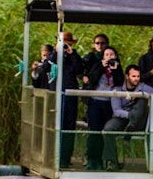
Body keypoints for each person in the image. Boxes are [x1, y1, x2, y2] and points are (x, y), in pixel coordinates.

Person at [102, 65, 153, 171]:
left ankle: (131, 127)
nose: (136, 79)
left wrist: (142, 95)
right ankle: (112, 162)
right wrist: (129, 115)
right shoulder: (118, 89)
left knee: (142, 100)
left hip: (139, 120)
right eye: (133, 76)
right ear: (127, 76)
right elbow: (116, 110)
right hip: (123, 117)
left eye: (138, 76)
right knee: (108, 129)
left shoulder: (143, 87)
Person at [47, 32, 84, 168]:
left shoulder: (74, 56)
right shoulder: (53, 55)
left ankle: (65, 158)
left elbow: (79, 69)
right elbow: (46, 66)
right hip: (55, 94)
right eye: (63, 42)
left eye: (68, 43)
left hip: (69, 95)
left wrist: (71, 53)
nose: (65, 45)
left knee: (68, 126)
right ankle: (52, 157)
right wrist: (57, 51)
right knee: (54, 125)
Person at [85, 46, 124, 170]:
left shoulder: (117, 67)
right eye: (106, 54)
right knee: (94, 130)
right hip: (95, 101)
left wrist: (115, 69)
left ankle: (103, 160)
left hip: (109, 103)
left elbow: (119, 82)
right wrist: (102, 67)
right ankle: (92, 159)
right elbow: (92, 79)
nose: (109, 57)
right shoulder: (97, 65)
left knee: (104, 131)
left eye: (111, 54)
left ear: (116, 56)